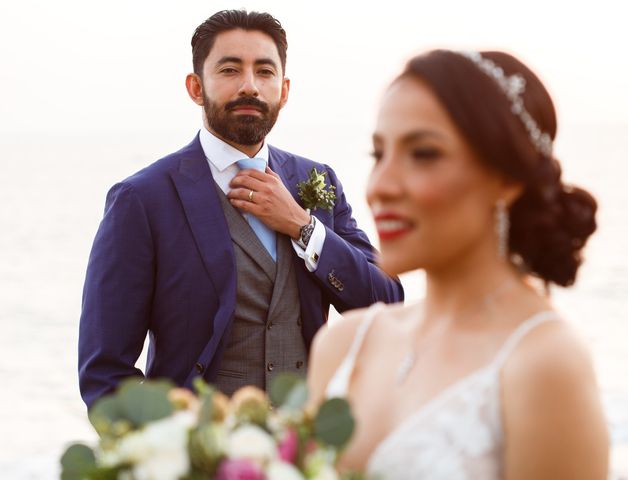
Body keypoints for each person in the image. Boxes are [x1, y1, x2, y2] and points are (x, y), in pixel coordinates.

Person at [78, 10, 403, 409]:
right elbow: (105, 371)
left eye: (264, 72)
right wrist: (166, 454)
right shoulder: (142, 200)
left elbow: (387, 306)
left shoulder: (318, 180)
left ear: (284, 90)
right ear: (196, 87)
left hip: (308, 452)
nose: (249, 86)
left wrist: (303, 226)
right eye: (230, 70)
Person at [308, 49, 609, 479]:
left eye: (424, 153)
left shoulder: (544, 364)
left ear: (507, 179)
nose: (381, 187)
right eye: (378, 155)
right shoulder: (343, 346)